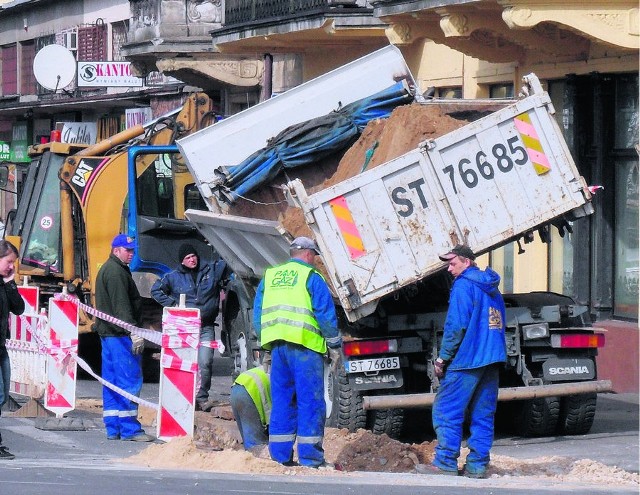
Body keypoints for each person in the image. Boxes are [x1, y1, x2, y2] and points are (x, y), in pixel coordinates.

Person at [416, 244, 507, 479]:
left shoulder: (464, 286)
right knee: (483, 414)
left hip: (467, 359)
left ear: (466, 262)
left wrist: (442, 357)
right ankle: (477, 466)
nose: (448, 268)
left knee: (446, 410)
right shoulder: (492, 287)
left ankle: (445, 462)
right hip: (492, 358)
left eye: (452, 263)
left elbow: (456, 326)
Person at [253, 236, 341, 468]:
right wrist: (334, 345)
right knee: (310, 402)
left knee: (282, 401)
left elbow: (258, 313)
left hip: (278, 350)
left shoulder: (271, 277)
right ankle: (311, 458)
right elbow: (325, 314)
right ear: (310, 254)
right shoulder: (311, 277)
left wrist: (266, 345)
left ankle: (280, 457)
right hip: (305, 348)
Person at [150, 243, 228, 411]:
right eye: (188, 258)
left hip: (206, 326)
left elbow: (227, 261)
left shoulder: (210, 270)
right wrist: (174, 304)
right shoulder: (173, 277)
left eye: (193, 256)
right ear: (182, 261)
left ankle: (201, 398)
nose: (192, 259)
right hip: (185, 328)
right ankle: (183, 397)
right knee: (184, 363)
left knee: (205, 362)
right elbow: (156, 290)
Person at [93, 234, 154, 442]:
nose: (131, 254)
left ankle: (113, 428)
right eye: (128, 251)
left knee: (111, 383)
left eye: (132, 251)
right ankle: (130, 430)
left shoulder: (110, 270)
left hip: (109, 335)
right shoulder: (117, 273)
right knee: (129, 381)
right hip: (120, 336)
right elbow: (122, 306)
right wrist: (134, 332)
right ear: (116, 250)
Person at [0, 241, 25, 459]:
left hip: (1, 348)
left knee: (2, 395)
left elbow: (19, 308)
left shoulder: (4, 283)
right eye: (9, 262)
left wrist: (10, 283)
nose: (11, 267)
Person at [230, 362, 271, 451]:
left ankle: (248, 459)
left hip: (237, 386)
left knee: (247, 438)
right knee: (256, 445)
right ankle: (256, 462)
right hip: (250, 391)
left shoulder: (279, 369)